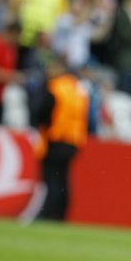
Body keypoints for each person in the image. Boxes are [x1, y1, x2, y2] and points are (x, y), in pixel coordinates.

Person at [32, 55, 89, 221]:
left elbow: (42, 111)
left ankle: (50, 213)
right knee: (63, 179)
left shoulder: (55, 87)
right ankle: (61, 214)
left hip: (56, 137)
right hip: (74, 140)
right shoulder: (78, 88)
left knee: (52, 179)